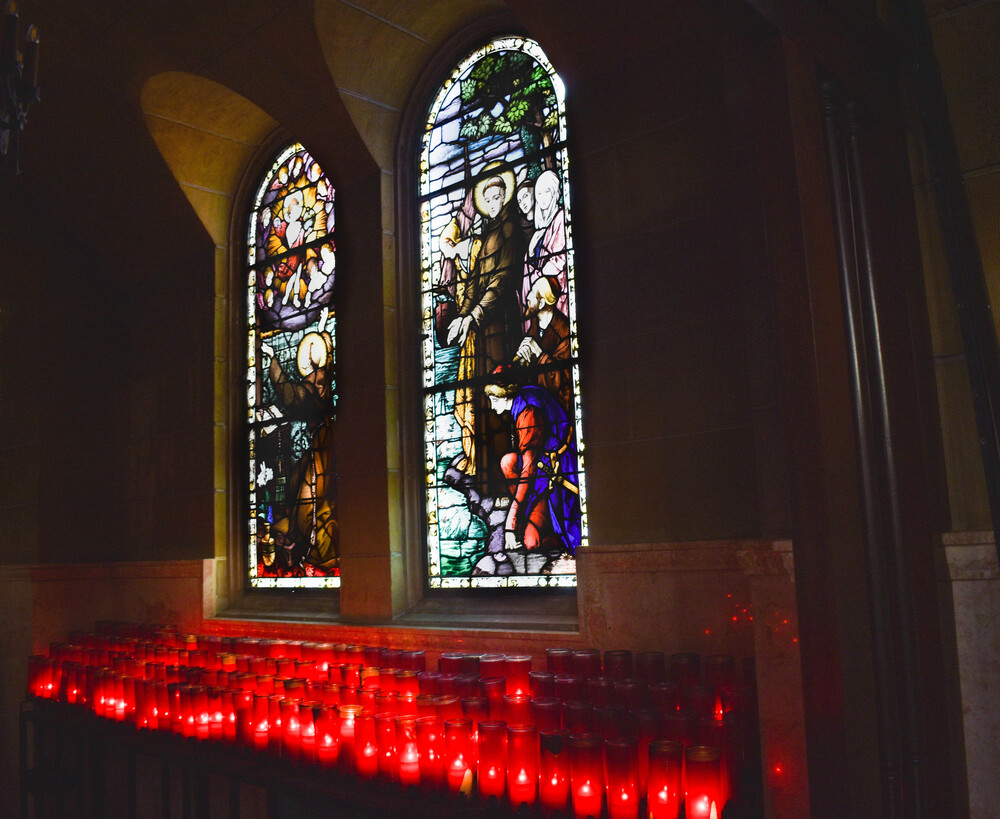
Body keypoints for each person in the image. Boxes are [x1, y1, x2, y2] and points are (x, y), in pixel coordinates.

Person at [439, 162, 525, 481]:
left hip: (501, 324)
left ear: (505, 196)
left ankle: (503, 476)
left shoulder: (510, 229)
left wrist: (473, 315)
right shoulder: (488, 232)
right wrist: (463, 317)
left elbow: (501, 281)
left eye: (497, 197)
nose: (492, 203)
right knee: (477, 393)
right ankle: (483, 467)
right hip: (480, 326)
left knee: (499, 388)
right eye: (487, 199)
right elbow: (475, 281)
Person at [258, 308, 338, 572]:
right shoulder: (324, 377)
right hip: (324, 441)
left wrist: (273, 359)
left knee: (309, 496)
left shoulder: (313, 385)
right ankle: (307, 541)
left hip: (323, 443)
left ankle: (315, 546)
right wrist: (322, 324)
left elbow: (287, 392)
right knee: (301, 487)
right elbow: (325, 353)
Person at [485, 377, 582, 561]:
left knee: (531, 542)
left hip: (557, 476)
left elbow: (528, 471)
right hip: (542, 470)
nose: (492, 406)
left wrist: (510, 524)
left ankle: (556, 534)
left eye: (495, 400)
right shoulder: (524, 399)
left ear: (507, 395)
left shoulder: (528, 413)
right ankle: (528, 515)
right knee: (508, 461)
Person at [516, 276, 572, 413]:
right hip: (538, 407)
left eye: (532, 293)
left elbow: (563, 380)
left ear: (541, 303)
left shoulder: (564, 330)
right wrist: (522, 361)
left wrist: (539, 353)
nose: (527, 297)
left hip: (558, 411)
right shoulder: (535, 327)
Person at [520, 169, 568, 330]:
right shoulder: (541, 227)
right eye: (539, 193)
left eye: (546, 191)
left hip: (556, 291)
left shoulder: (561, 217)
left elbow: (559, 259)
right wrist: (531, 251)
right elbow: (535, 261)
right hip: (541, 292)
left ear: (554, 192)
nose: (542, 197)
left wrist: (539, 277)